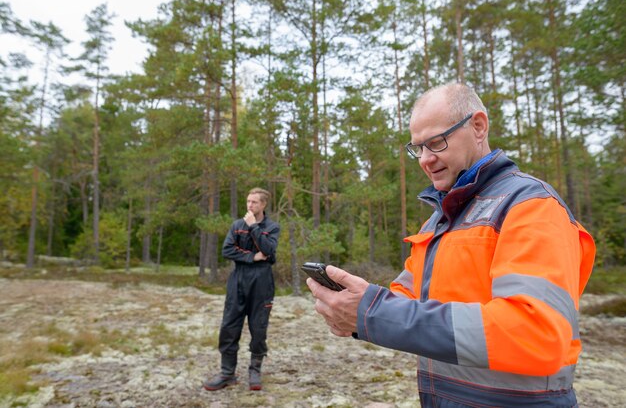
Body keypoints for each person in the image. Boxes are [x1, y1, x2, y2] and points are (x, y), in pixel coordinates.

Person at [307, 82, 596, 407]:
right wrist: (354, 309)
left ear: (478, 126)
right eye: (418, 147)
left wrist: (372, 312)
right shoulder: (439, 220)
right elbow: (408, 299)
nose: (425, 160)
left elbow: (535, 334)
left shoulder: (531, 205)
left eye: (436, 143)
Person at [203, 187, 280, 392]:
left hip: (262, 281)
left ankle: (255, 370)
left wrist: (254, 227)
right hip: (238, 279)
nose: (249, 205)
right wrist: (251, 256)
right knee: (229, 326)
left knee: (258, 327)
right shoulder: (237, 225)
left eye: (254, 202)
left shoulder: (271, 227)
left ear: (263, 204)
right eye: (248, 201)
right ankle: (227, 373)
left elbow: (269, 250)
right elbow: (227, 250)